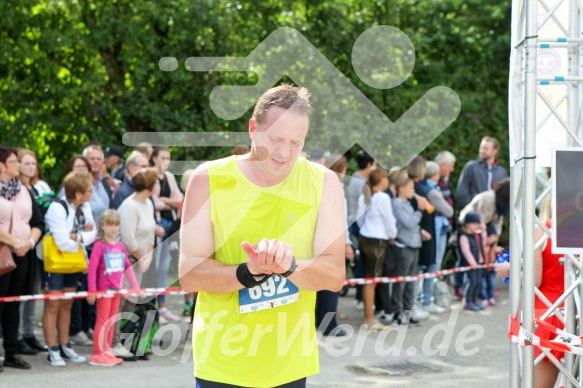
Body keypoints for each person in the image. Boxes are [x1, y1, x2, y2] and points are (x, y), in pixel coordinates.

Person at [179, 84, 345, 387]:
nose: (285, 152)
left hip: (289, 364)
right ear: (253, 129)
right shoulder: (208, 179)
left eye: (297, 142)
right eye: (276, 139)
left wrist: (289, 266)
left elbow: (334, 275)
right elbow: (190, 274)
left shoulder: (324, 183)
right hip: (222, 363)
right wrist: (249, 271)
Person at [42, 171, 96, 366]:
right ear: (78, 194)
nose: (91, 193)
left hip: (73, 262)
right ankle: (52, 349)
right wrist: (82, 237)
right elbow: (62, 242)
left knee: (67, 304)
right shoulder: (57, 208)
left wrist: (76, 237)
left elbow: (94, 233)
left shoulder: (85, 206)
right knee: (53, 305)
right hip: (54, 264)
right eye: (89, 190)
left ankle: (65, 345)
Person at [0, 146, 44, 370]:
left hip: (23, 255)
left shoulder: (24, 190)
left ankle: (11, 352)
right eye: (14, 161)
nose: (18, 165)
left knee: (13, 304)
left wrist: (29, 243)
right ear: (1, 166)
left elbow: (37, 222)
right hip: (3, 254)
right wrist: (14, 242)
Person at [86, 209, 140, 367]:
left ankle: (107, 351)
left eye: (116, 225)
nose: (113, 228)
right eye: (110, 224)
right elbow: (92, 269)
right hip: (103, 292)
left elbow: (128, 267)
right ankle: (97, 353)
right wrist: (92, 290)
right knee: (102, 321)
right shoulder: (99, 246)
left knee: (111, 321)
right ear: (102, 226)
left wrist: (135, 286)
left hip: (117, 290)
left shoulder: (120, 246)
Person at [115, 168, 157, 348]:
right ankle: (113, 341)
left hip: (142, 260)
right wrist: (142, 258)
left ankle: (124, 339)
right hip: (127, 259)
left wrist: (148, 257)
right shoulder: (128, 206)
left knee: (132, 301)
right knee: (121, 301)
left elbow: (151, 233)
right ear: (149, 187)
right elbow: (128, 238)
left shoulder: (148, 203)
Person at [16, 148, 51, 355]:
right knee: (19, 295)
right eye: (26, 163)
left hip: (39, 247)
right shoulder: (15, 189)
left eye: (33, 163)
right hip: (22, 246)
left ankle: (29, 333)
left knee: (32, 291)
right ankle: (18, 335)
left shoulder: (37, 188)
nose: (31, 167)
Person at [314, 155, 353, 336]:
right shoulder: (336, 187)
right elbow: (341, 218)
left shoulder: (318, 184)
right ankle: (329, 324)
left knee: (321, 282)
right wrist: (347, 243)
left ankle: (320, 320)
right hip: (333, 239)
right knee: (332, 283)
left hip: (318, 239)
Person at [357, 167, 397, 329]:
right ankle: (369, 319)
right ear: (382, 180)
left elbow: (358, 219)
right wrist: (392, 234)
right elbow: (389, 221)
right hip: (377, 240)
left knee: (368, 278)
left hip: (364, 237)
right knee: (371, 280)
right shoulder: (383, 198)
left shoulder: (365, 196)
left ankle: (369, 316)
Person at [532, 192, 564, 388]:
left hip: (547, 313)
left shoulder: (542, 231)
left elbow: (534, 279)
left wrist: (511, 270)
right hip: (574, 309)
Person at [389, 174, 429, 325]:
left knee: (411, 281)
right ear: (402, 189)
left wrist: (421, 231)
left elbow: (414, 225)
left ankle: (408, 311)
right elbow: (408, 223)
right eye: (411, 188)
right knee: (401, 281)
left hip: (414, 245)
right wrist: (420, 210)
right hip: (403, 246)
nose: (414, 190)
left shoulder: (407, 204)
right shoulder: (397, 204)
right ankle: (397, 312)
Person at [150, 146, 184, 322]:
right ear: (154, 158)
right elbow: (154, 203)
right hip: (156, 226)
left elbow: (180, 201)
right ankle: (154, 307)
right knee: (154, 267)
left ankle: (163, 308)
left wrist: (165, 201)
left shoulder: (169, 177)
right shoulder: (150, 176)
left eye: (168, 157)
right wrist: (166, 203)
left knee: (164, 267)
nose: (166, 161)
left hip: (170, 226)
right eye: (162, 157)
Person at [417, 161, 453, 313]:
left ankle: (422, 300)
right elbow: (449, 211)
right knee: (433, 264)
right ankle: (426, 300)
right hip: (435, 231)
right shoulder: (432, 191)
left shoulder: (423, 188)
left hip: (428, 230)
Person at [347, 150, 376, 310]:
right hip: (359, 225)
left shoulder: (354, 178)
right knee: (363, 263)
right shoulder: (362, 183)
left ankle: (361, 297)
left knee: (362, 262)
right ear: (370, 164)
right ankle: (360, 297)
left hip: (355, 223)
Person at [456, 136, 508, 209]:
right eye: (481, 148)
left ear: (495, 151)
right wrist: (472, 209)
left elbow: (505, 195)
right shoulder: (471, 167)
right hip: (475, 215)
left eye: (486, 149)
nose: (482, 151)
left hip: (494, 216)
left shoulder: (501, 172)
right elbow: (462, 193)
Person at [458, 212, 487, 312]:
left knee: (478, 283)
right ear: (467, 224)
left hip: (479, 263)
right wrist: (472, 262)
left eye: (477, 223)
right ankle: (468, 302)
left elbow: (484, 242)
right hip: (471, 265)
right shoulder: (464, 236)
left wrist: (484, 231)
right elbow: (466, 251)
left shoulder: (477, 235)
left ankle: (474, 301)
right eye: (474, 223)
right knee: (472, 282)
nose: (476, 226)